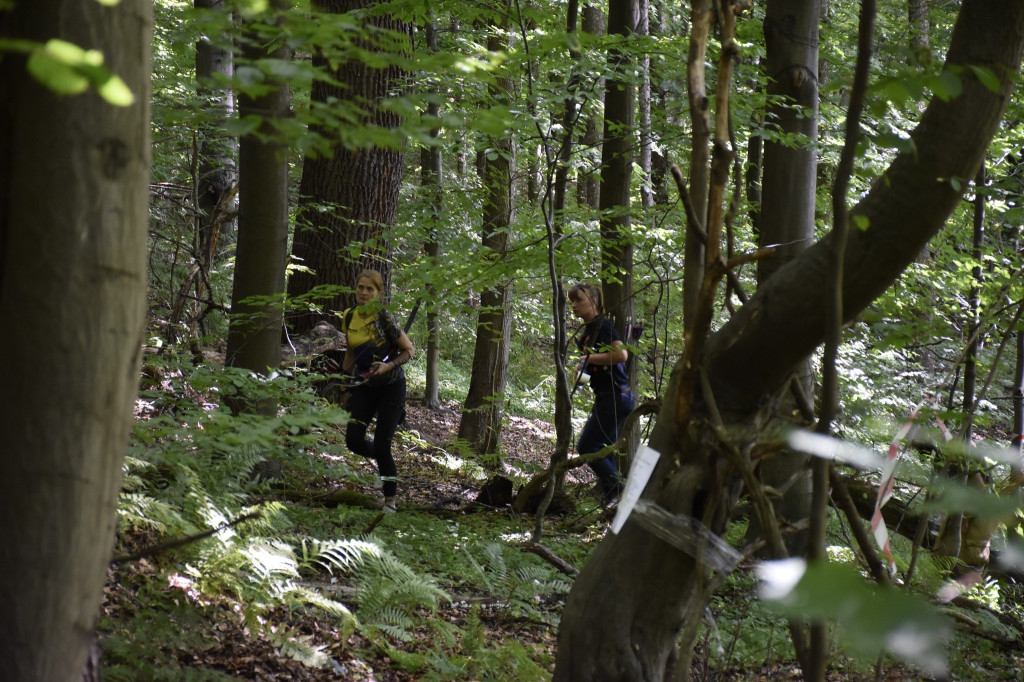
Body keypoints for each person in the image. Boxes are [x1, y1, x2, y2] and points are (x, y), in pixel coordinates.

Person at [340, 269, 415, 513]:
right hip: (366, 385)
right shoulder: (349, 315)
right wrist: (344, 384)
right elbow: (351, 353)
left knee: (383, 445)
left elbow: (409, 350)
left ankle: (390, 502)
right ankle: (385, 465)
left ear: (379, 293)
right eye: (360, 287)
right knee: (353, 441)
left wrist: (387, 365)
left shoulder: (384, 317)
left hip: (392, 386)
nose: (363, 292)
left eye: (369, 289)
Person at [568, 282, 634, 505]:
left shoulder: (603, 326)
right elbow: (596, 361)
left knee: (586, 447)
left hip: (616, 397)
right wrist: (583, 369)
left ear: (593, 301)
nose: (574, 306)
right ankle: (613, 502)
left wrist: (587, 359)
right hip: (607, 397)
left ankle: (621, 491)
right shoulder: (588, 331)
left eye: (579, 300)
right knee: (605, 452)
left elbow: (621, 355)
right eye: (572, 302)